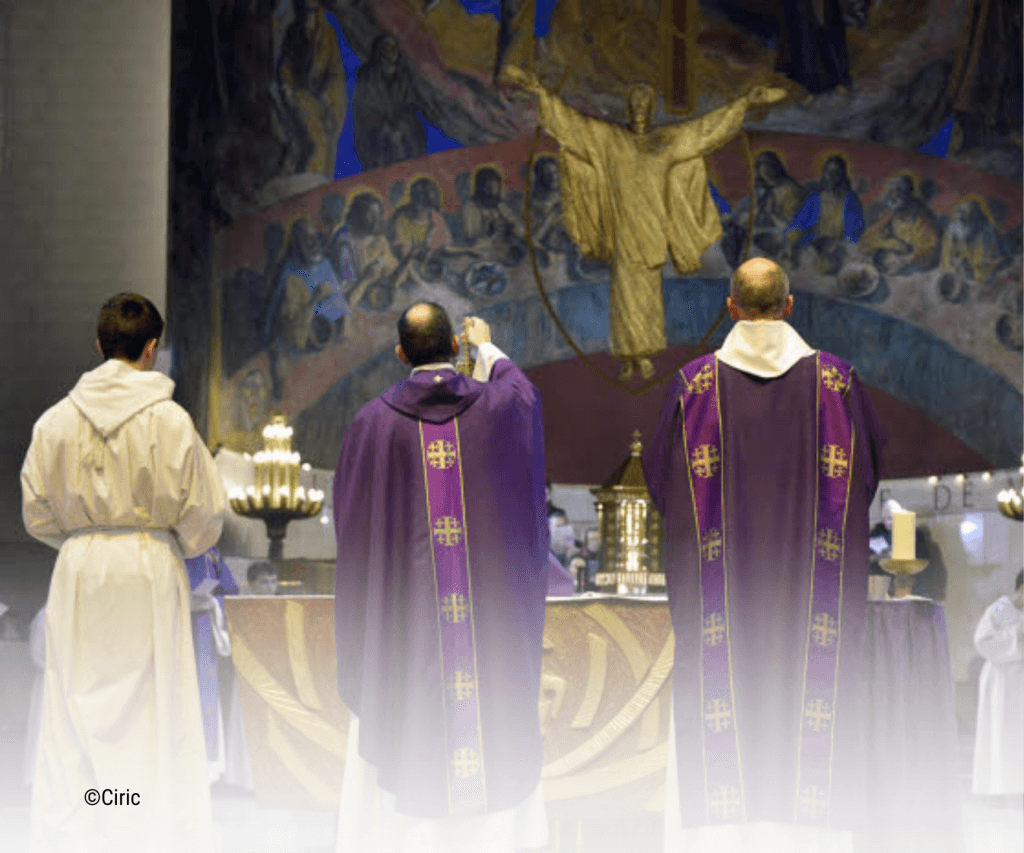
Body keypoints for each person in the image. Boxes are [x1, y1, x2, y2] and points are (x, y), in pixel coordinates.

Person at [643, 258, 885, 850]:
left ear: (730, 309)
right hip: (812, 597)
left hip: (725, 601)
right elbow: (870, 474)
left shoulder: (694, 388)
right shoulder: (837, 385)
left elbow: (659, 482)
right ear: (790, 305)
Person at [332, 304, 549, 852]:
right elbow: (523, 394)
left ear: (401, 354)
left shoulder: (371, 425)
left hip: (407, 633)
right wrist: (490, 349)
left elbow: (352, 530)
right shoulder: (500, 408)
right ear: (456, 347)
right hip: (489, 634)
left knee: (404, 704)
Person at [20, 293, 225, 853]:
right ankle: (141, 830)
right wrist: (165, 541)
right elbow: (206, 517)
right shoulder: (171, 421)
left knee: (73, 710)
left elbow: (35, 512)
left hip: (81, 570)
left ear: (98, 344)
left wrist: (84, 541)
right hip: (148, 566)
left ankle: (84, 828)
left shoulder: (55, 421)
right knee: (152, 713)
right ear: (152, 350)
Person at [503, 65, 786, 381]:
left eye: (645, 105)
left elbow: (703, 130)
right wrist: (540, 91)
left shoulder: (666, 141)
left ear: (652, 110)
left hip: (653, 227)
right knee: (625, 295)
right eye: (634, 105)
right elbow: (575, 126)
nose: (639, 111)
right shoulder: (610, 140)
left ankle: (646, 354)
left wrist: (744, 102)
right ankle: (628, 357)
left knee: (649, 296)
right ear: (628, 109)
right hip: (624, 229)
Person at [972, 570, 1024, 800]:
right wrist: (1017, 635)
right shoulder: (999, 610)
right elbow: (982, 642)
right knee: (1004, 734)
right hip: (1003, 683)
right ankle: (1004, 789)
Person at [868, 498, 948, 600]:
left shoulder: (921, 542)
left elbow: (936, 578)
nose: (889, 523)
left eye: (892, 518)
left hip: (920, 596)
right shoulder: (878, 537)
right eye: (886, 519)